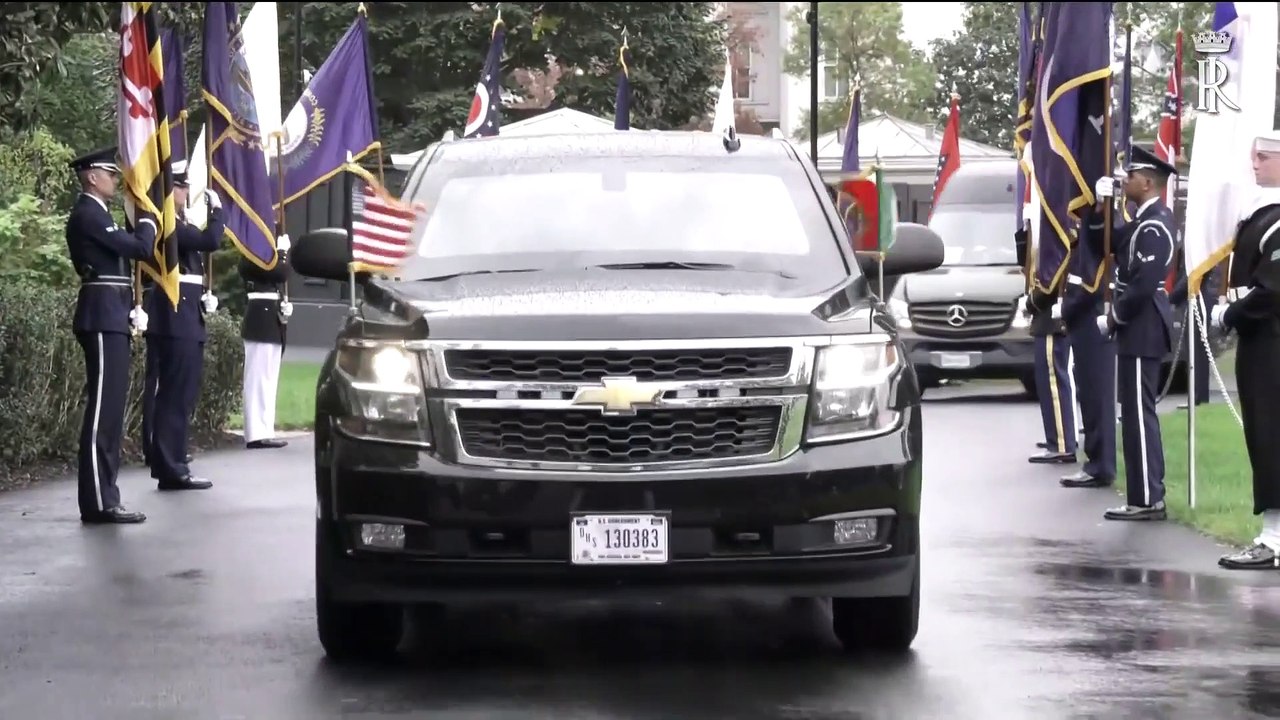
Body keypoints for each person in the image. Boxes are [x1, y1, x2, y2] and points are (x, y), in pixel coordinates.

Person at [65, 146, 156, 525]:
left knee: (112, 411)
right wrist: (148, 219)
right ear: (91, 177)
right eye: (110, 174)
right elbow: (139, 249)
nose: (117, 180)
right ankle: (100, 500)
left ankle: (106, 495)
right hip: (101, 314)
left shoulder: (100, 214)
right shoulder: (88, 214)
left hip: (111, 310)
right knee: (103, 411)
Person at [1093, 145, 1177, 522]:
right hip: (1136, 327)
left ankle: (1147, 499)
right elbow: (1107, 244)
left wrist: (1114, 318)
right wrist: (1102, 206)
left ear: (1147, 182)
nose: (1124, 180)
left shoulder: (1157, 224)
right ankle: (1144, 494)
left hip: (1142, 326)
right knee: (1134, 413)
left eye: (1129, 176)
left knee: (1139, 415)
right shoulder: (1142, 220)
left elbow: (1144, 284)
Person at [1213, 130, 1280, 570]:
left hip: (1273, 341)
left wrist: (1230, 314)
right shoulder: (1263, 215)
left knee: (1272, 435)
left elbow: (1272, 290)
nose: (1255, 164)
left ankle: (1273, 539)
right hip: (1263, 342)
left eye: (1264, 157)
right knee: (1264, 435)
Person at [143, 162, 221, 491]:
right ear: (167, 189)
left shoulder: (175, 221)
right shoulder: (167, 222)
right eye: (180, 186)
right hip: (176, 317)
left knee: (179, 394)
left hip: (183, 313)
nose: (186, 191)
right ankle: (171, 465)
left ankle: (172, 459)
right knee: (176, 394)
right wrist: (218, 212)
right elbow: (211, 240)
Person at [1058, 211, 1118, 489]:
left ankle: (1100, 465)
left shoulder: (1098, 229)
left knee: (1097, 397)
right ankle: (1096, 460)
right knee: (1089, 395)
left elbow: (1089, 282)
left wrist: (1067, 309)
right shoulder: (1083, 235)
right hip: (1082, 323)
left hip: (1092, 321)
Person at [1019, 239, 1078, 465]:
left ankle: (1062, 443)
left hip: (1051, 315)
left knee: (1054, 379)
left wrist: (1032, 303)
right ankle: (1056, 438)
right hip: (1044, 315)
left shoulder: (1056, 227)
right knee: (1046, 379)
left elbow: (1054, 271)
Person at [238, 234, 293, 450]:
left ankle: (264, 429)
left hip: (270, 316)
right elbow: (280, 272)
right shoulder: (252, 251)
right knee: (258, 378)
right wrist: (282, 254)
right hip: (260, 317)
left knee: (268, 377)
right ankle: (256, 433)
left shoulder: (263, 250)